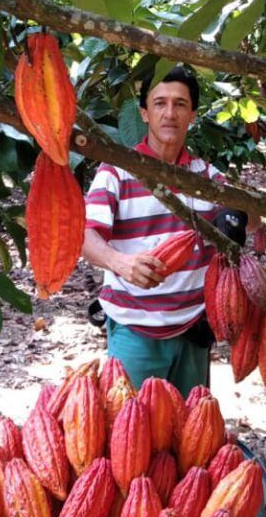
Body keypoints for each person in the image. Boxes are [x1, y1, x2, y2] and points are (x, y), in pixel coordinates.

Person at [81, 66, 256, 396]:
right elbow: (85, 236)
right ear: (144, 113)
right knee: (131, 433)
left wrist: (239, 215)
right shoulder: (118, 170)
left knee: (189, 438)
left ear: (192, 115)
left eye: (180, 104)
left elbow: (253, 217)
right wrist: (119, 262)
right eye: (160, 103)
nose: (170, 113)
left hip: (193, 328)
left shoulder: (206, 177)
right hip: (135, 331)